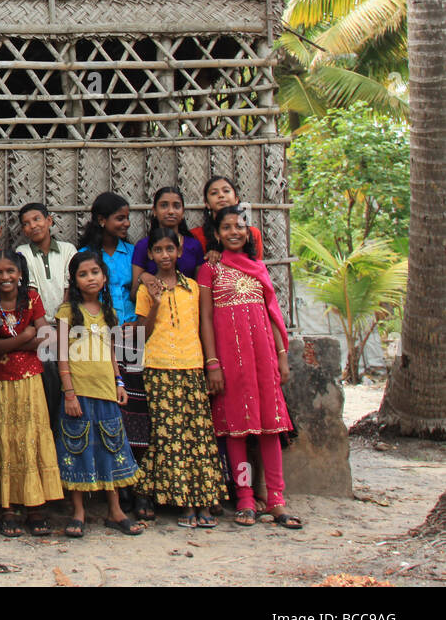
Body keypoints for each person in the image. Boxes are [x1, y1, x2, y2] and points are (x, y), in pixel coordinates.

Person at [198, 206, 302, 529]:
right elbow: (204, 318)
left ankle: (276, 500)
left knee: (271, 427)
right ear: (216, 234)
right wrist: (212, 362)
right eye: (226, 227)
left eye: (239, 226)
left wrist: (282, 356)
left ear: (247, 232)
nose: (233, 232)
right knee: (235, 429)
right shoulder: (209, 271)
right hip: (229, 362)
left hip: (263, 359)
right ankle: (244, 497)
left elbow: (273, 314)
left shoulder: (258, 267)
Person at [132, 227, 225, 528]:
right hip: (159, 367)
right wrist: (156, 303)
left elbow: (204, 325)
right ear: (150, 254)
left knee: (198, 434)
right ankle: (183, 503)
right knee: (169, 436)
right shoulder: (146, 290)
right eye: (158, 250)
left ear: (179, 251)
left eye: (169, 249)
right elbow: (142, 336)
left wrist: (210, 363)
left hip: (192, 365)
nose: (164, 255)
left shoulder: (194, 289)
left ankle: (203, 500)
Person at [55, 250, 141, 538]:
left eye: (95, 273)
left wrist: (119, 382)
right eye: (83, 274)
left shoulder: (109, 313)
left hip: (106, 392)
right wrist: (69, 393)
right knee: (77, 449)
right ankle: (78, 512)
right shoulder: (66, 312)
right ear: (75, 281)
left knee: (110, 448)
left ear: (104, 278)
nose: (90, 278)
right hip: (78, 394)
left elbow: (112, 353)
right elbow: (61, 356)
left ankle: (115, 510)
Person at [0, 248, 63, 537]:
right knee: (3, 439)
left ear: (20, 274)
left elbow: (46, 337)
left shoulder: (31, 298)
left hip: (30, 380)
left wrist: (20, 339)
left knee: (32, 437)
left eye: (11, 272)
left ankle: (36, 506)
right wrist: (26, 336)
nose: (5, 277)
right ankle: (7, 507)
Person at [78, 192, 146, 473]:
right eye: (120, 218)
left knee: (135, 405)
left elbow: (142, 289)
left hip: (132, 336)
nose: (127, 223)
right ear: (101, 220)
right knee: (106, 405)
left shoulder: (132, 254)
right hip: (98, 338)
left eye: (128, 217)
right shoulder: (84, 256)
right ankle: (110, 473)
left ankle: (134, 475)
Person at [13, 201, 72, 425]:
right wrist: (46, 329)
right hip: (40, 327)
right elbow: (31, 290)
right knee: (48, 371)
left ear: (49, 220)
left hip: (66, 325)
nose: (33, 226)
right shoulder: (23, 252)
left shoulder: (68, 250)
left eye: (37, 219)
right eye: (26, 224)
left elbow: (70, 285)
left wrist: (61, 324)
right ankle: (51, 426)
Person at [131, 186, 203, 297]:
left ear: (183, 212)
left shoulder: (194, 246)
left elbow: (200, 291)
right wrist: (143, 277)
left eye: (176, 206)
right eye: (164, 205)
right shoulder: (143, 246)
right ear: (154, 211)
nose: (170, 211)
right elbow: (133, 295)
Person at [190, 175, 265, 260]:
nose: (221, 195)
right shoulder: (196, 235)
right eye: (214, 193)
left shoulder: (253, 233)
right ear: (207, 203)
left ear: (236, 199)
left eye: (226, 191)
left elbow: (258, 267)